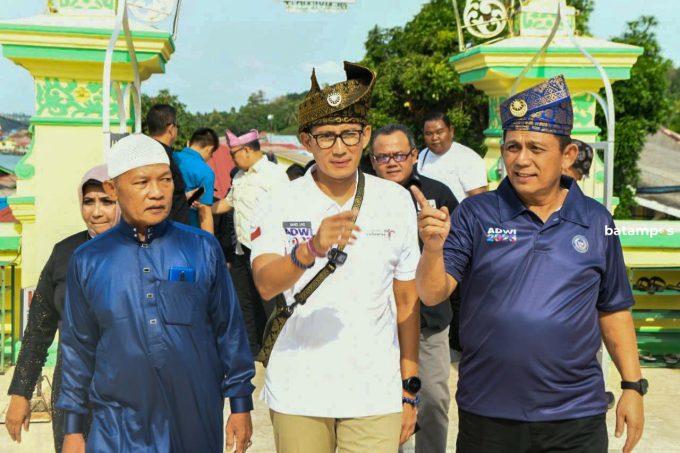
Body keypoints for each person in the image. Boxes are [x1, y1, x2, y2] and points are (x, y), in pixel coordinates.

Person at [413, 75, 645, 453]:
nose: (521, 160)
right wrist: (432, 250)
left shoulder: (598, 220)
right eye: (512, 147)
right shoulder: (476, 214)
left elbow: (614, 307)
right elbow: (432, 291)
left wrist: (633, 387)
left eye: (536, 148)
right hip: (488, 414)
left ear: (567, 155)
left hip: (576, 418)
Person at [250, 61, 420, 453]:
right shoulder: (280, 199)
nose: (340, 147)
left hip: (374, 393)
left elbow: (406, 300)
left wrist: (409, 388)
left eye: (349, 134)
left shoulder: (394, 201)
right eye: (326, 137)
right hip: (299, 390)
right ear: (306, 142)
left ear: (366, 135)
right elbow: (264, 282)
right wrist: (308, 250)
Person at [56, 134, 256, 453]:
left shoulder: (202, 248)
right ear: (113, 189)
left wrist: (241, 403)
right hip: (117, 426)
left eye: (164, 180)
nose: (156, 192)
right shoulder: (89, 259)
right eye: (142, 182)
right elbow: (78, 347)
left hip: (195, 418)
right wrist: (73, 430)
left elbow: (228, 330)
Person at [5, 165, 119, 452]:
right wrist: (21, 392)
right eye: (88, 201)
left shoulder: (142, 252)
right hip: (72, 390)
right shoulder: (64, 254)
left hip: (127, 389)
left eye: (107, 201)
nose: (96, 212)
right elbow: (38, 330)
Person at [370, 124, 458, 453]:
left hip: (429, 323)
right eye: (383, 156)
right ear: (372, 159)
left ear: (413, 155)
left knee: (433, 401)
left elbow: (460, 261)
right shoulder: (359, 198)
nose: (392, 162)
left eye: (400, 155)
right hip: (379, 324)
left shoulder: (440, 195)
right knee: (387, 407)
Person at [211, 129, 289, 355]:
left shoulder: (274, 175)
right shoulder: (239, 176)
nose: (232, 159)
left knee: (270, 302)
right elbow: (228, 203)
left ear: (246, 150)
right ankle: (251, 348)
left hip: (267, 250)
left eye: (233, 154)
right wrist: (205, 207)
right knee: (243, 300)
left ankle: (276, 349)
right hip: (241, 249)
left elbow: (286, 211)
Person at [418, 111, 487, 202]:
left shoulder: (468, 158)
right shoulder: (423, 155)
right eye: (428, 134)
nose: (434, 138)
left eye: (439, 132)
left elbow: (480, 202)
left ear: (451, 131)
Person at [145, 104, 191, 224]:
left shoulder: (146, 153)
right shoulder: (161, 158)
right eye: (177, 126)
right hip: (169, 233)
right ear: (171, 128)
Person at [174, 127, 220, 233]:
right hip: (189, 231)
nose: (210, 157)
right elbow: (204, 213)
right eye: (211, 153)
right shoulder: (206, 172)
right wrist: (209, 246)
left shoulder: (171, 158)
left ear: (190, 143)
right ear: (209, 148)